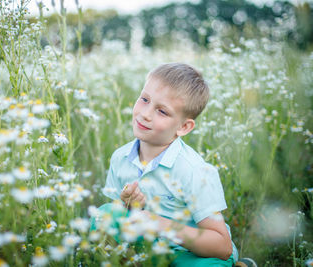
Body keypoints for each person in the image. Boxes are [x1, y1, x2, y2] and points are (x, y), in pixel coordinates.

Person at [91, 62, 239, 266]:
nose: (145, 114)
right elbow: (122, 222)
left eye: (162, 111)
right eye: (144, 99)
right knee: (104, 214)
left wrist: (161, 224)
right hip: (147, 247)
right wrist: (127, 206)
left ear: (184, 127)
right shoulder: (120, 157)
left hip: (189, 253)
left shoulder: (194, 171)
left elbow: (222, 246)